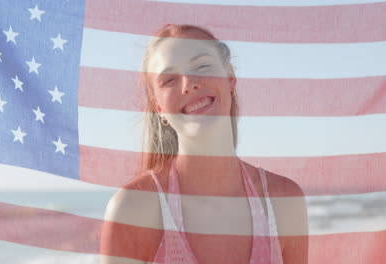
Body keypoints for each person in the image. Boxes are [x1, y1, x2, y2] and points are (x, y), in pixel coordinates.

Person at [100, 24, 308, 264]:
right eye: (169, 80)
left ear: (230, 79)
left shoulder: (283, 201)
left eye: (202, 66)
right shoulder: (134, 208)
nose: (188, 83)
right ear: (159, 109)